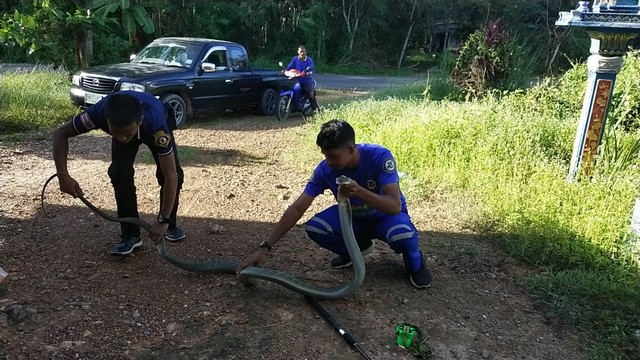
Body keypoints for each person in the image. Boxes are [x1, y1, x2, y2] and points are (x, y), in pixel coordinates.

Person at [238, 119, 432, 289]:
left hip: (385, 217)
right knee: (317, 228)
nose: (329, 161)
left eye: (333, 156)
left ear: (351, 150)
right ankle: (357, 248)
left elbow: (394, 206)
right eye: (325, 155)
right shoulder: (325, 170)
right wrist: (266, 247)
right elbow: (297, 209)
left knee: (403, 235)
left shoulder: (379, 156)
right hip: (354, 219)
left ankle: (415, 263)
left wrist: (359, 191)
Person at [52, 91, 186, 256]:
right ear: (107, 121)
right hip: (127, 124)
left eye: (127, 135)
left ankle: (169, 224)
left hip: (153, 120)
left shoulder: (156, 126)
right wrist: (63, 175)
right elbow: (60, 134)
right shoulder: (96, 114)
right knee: (119, 173)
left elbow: (170, 174)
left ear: (140, 122)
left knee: (174, 174)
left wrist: (163, 220)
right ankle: (131, 235)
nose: (122, 139)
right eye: (116, 134)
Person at [286, 45, 319, 112]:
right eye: (301, 51)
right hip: (296, 79)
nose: (302, 53)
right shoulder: (295, 59)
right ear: (298, 52)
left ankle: (315, 108)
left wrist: (309, 73)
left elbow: (312, 69)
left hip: (306, 80)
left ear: (306, 52)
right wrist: (285, 71)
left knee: (310, 92)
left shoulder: (309, 60)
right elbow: (289, 67)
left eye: (303, 51)